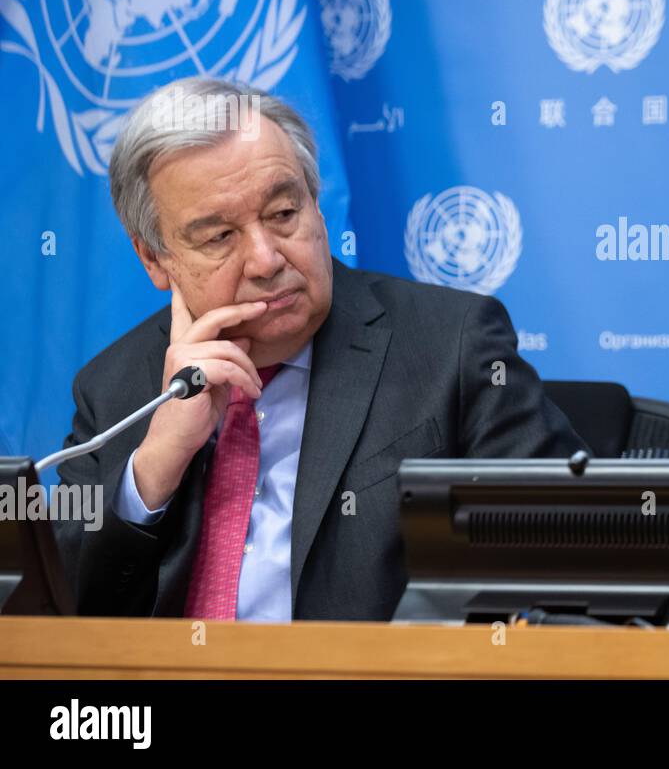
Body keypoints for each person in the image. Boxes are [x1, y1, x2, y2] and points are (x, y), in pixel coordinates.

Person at [55, 77, 583, 621]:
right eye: (219, 238)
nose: (266, 260)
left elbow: (562, 559)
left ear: (316, 204)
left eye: (284, 214)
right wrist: (156, 467)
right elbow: (61, 616)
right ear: (154, 260)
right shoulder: (114, 390)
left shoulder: (451, 346)